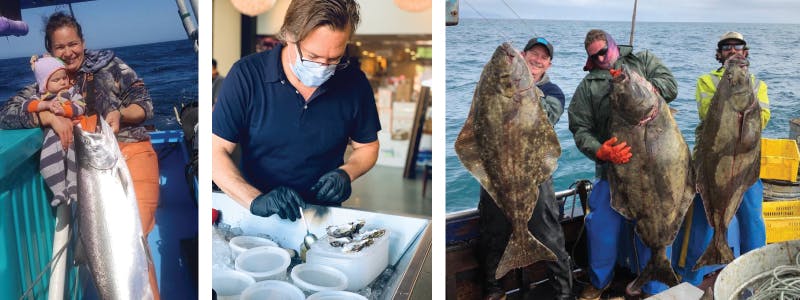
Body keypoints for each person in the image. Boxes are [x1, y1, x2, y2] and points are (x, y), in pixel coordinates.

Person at [0, 12, 160, 298]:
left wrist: (119, 114)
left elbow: (145, 104)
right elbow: (7, 113)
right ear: (50, 50)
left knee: (134, 237)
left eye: (73, 44)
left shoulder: (109, 66)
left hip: (129, 151)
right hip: (88, 168)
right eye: (60, 47)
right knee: (107, 243)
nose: (68, 52)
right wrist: (46, 117)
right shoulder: (47, 84)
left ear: (83, 42)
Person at [211, 0, 380, 221]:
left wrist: (347, 173)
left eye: (334, 59)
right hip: (257, 210)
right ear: (288, 35)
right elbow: (214, 152)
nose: (323, 67)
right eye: (313, 56)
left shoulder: (354, 82)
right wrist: (255, 200)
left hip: (323, 215)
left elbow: (368, 146)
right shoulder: (245, 75)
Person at [568, 29, 678, 300]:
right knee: (601, 226)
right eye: (594, 56)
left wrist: (647, 86)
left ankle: (656, 285)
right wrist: (600, 151)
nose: (601, 58)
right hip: (611, 171)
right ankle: (599, 280)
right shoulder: (587, 87)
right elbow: (580, 128)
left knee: (657, 220)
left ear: (613, 44)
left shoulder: (643, 61)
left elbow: (671, 87)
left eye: (603, 51)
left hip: (656, 167)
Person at [672, 31, 770, 285]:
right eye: (726, 47)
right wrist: (731, 87)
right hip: (712, 162)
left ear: (746, 53)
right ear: (719, 54)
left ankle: (755, 275)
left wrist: (747, 106)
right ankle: (690, 279)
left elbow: (765, 119)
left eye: (738, 46)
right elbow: (708, 113)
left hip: (745, 165)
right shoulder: (706, 81)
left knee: (752, 219)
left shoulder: (758, 85)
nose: (733, 50)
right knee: (702, 223)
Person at [478, 37, 572, 300]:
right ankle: (494, 290)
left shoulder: (553, 92)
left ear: (549, 64)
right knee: (492, 233)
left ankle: (563, 292)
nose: (537, 60)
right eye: (533, 53)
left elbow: (544, 117)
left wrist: (520, 88)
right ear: (522, 55)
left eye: (543, 57)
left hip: (534, 174)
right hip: (497, 168)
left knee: (549, 233)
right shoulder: (497, 84)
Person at [25, 55, 86, 206]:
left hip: (72, 132)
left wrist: (65, 110)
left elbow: (80, 105)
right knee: (48, 159)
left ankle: (73, 185)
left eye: (64, 77)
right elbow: (27, 106)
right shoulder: (40, 96)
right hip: (52, 136)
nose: (63, 82)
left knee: (75, 157)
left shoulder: (70, 92)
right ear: (44, 83)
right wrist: (45, 106)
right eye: (56, 80)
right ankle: (58, 190)